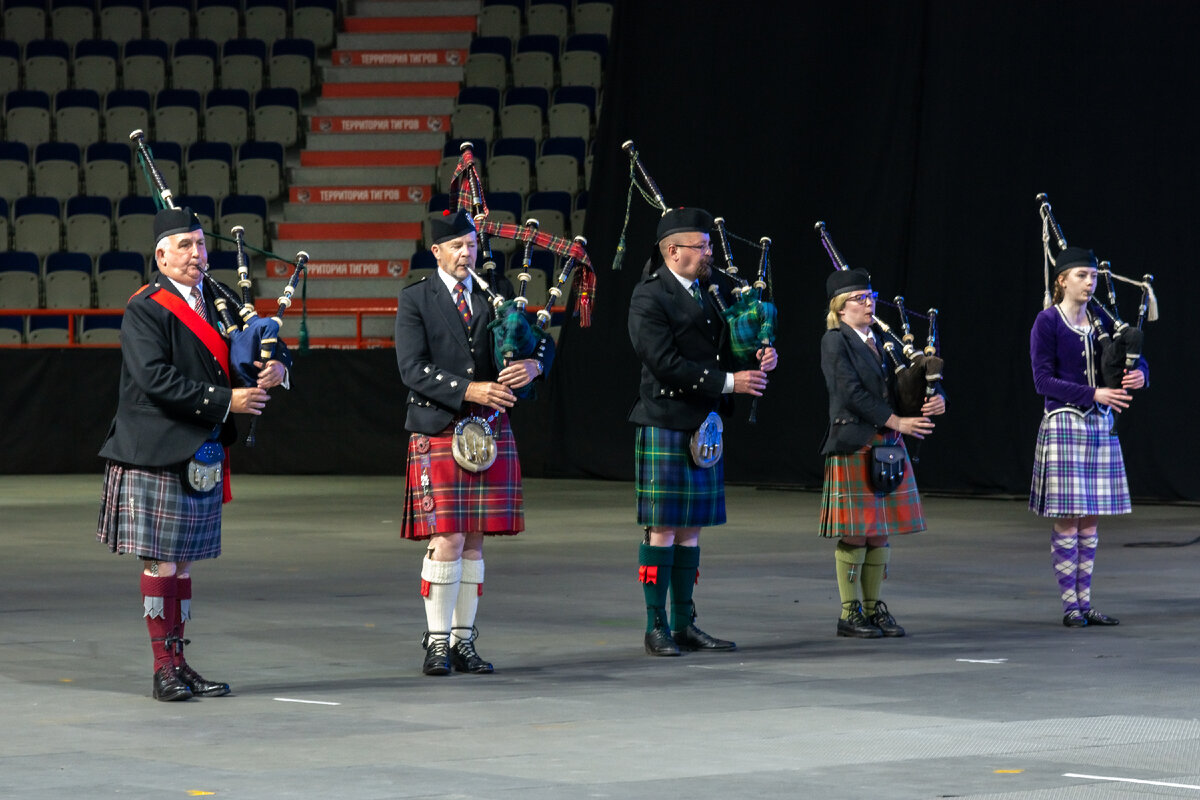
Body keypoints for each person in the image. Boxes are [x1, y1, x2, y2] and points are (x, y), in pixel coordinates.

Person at [97, 206, 289, 701]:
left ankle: (181, 662)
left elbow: (263, 344)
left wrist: (274, 370)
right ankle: (163, 669)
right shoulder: (146, 307)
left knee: (182, 566)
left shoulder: (219, 298)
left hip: (198, 449)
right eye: (184, 245)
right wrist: (229, 400)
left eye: (201, 244)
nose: (196, 254)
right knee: (162, 563)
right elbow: (154, 379)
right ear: (160, 255)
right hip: (155, 449)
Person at [394, 209, 553, 675]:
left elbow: (541, 343)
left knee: (474, 541)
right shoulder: (416, 299)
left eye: (472, 244)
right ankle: (437, 643)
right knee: (447, 539)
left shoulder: (496, 296)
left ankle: (464, 642)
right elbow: (411, 367)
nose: (467, 253)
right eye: (457, 246)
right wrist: (469, 389)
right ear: (437, 252)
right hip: (440, 424)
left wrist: (534, 366)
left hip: (488, 427)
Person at [627, 207, 778, 657]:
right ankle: (656, 626)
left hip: (703, 423)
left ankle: (684, 622)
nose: (709, 253)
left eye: (709, 246)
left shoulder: (711, 294)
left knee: (690, 529)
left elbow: (727, 351)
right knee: (662, 528)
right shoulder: (648, 297)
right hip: (665, 419)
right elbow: (664, 363)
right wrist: (731, 383)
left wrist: (757, 357)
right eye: (702, 246)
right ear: (673, 250)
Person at [818, 268, 946, 638]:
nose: (869, 303)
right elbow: (849, 394)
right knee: (856, 532)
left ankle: (874, 609)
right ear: (841, 308)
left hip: (887, 443)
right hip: (856, 440)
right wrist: (896, 421)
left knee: (879, 532)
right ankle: (849, 613)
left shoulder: (885, 341)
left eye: (871, 296)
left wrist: (936, 400)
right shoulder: (835, 341)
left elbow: (911, 382)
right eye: (860, 298)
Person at [1029, 246, 1147, 628]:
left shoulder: (1100, 320)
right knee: (1069, 518)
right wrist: (1093, 394)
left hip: (1099, 424)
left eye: (1093, 276)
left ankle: (1086, 602)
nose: (1089, 282)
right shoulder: (1047, 322)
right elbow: (1042, 380)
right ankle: (1069, 606)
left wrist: (1141, 373)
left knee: (1091, 520)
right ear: (1061, 280)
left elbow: (1129, 352)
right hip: (1064, 421)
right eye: (1081, 275)